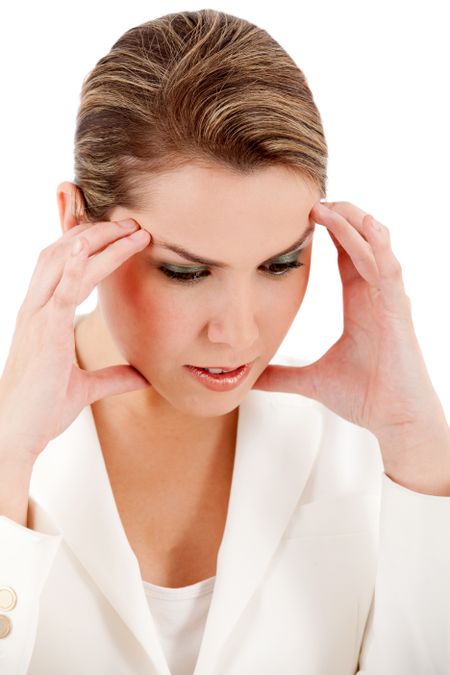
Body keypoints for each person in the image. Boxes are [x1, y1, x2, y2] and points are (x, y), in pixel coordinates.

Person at [0, 8, 449, 675]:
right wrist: (8, 452)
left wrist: (419, 448)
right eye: (186, 270)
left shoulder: (377, 454)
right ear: (75, 226)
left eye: (281, 263)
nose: (238, 331)